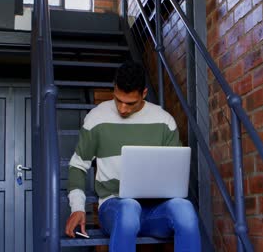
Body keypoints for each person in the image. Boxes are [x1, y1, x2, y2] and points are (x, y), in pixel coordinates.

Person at [64, 61, 201, 252]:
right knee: (129, 208)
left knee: (185, 210)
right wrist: (77, 207)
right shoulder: (96, 117)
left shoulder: (163, 120)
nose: (122, 108)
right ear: (114, 89)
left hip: (155, 211)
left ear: (144, 94)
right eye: (118, 99)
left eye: (130, 103)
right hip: (115, 208)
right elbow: (78, 165)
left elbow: (174, 173)